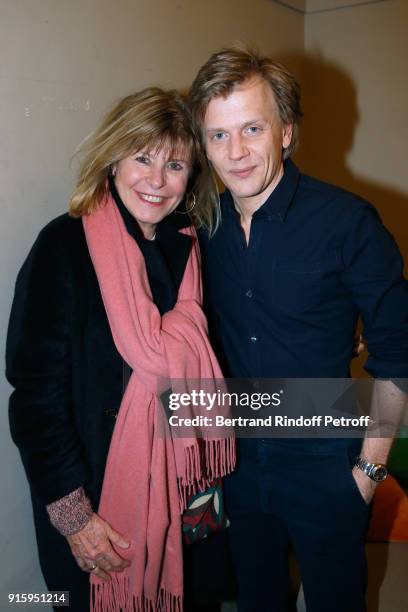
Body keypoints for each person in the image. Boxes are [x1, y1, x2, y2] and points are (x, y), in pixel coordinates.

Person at [188, 46, 408, 612]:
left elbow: (399, 351)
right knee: (257, 599)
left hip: (327, 463)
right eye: (218, 135)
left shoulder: (349, 222)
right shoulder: (200, 228)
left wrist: (368, 469)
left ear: (285, 131)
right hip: (236, 464)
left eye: (252, 128)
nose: (235, 153)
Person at [6, 87, 235, 611]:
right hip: (99, 503)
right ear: (113, 159)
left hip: (188, 488)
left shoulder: (192, 251)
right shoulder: (64, 248)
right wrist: (73, 516)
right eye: (143, 157)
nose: (157, 180)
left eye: (175, 164)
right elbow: (35, 397)